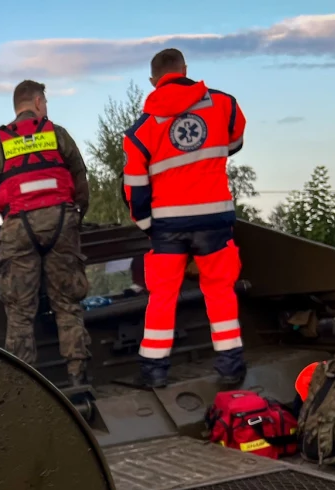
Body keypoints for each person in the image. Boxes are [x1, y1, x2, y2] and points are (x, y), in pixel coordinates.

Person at [123, 48, 248, 389]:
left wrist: (148, 224)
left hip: (167, 225)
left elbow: (134, 187)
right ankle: (230, 367)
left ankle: (155, 371)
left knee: (162, 297)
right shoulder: (223, 104)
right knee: (220, 292)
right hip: (214, 218)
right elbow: (234, 141)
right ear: (185, 69)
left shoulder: (141, 130)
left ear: (153, 81)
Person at [0, 80, 93, 389]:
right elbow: (80, 177)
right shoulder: (57, 134)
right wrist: (77, 216)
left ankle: (28, 389)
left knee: (20, 311)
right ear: (38, 102)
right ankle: (78, 376)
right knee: (67, 302)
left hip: (18, 226)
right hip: (61, 219)